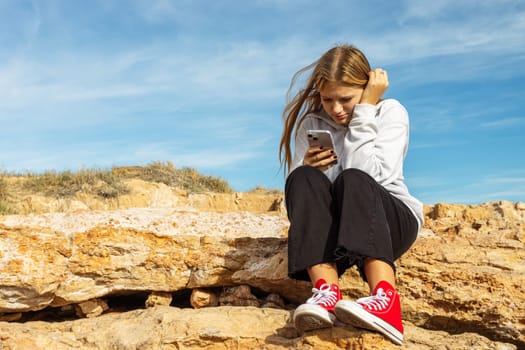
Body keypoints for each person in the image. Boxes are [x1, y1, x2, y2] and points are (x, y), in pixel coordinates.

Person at [278, 44, 423, 345]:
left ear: (366, 89)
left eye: (346, 99)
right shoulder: (312, 123)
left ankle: (386, 300)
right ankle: (327, 294)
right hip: (341, 228)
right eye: (327, 99)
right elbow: (301, 200)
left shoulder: (390, 112)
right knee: (301, 177)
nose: (336, 109)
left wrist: (365, 111)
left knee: (354, 177)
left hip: (390, 219)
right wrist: (311, 169)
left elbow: (374, 178)